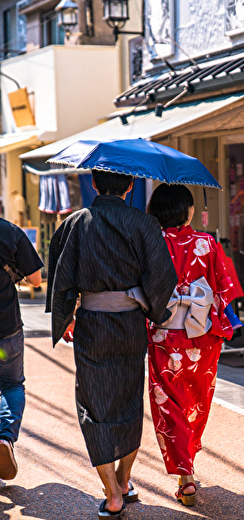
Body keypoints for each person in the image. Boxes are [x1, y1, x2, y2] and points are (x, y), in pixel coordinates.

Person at [46, 171, 177, 518]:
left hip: (92, 326)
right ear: (130, 186)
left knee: (94, 405)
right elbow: (163, 276)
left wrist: (66, 317)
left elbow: (61, 276)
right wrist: (153, 310)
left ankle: (112, 495)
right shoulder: (144, 223)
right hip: (131, 327)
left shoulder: (76, 223)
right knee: (129, 401)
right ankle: (123, 478)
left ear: (93, 183)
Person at [146, 184, 238, 506]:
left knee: (168, 403)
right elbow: (224, 289)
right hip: (201, 335)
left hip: (164, 335)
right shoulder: (207, 243)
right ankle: (189, 467)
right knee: (196, 401)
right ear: (187, 211)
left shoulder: (149, 243)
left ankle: (185, 474)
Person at [0, 217, 43, 481]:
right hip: (6, 331)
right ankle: (5, 438)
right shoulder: (9, 231)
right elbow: (37, 280)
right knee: (12, 384)